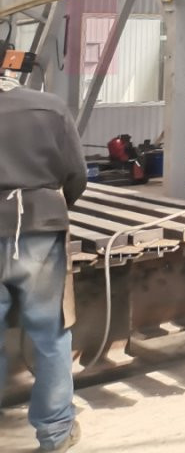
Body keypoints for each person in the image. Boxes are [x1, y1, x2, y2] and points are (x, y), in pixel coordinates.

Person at [0, 82, 87, 452]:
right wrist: (52, 208)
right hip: (39, 231)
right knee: (50, 333)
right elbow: (76, 174)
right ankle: (55, 432)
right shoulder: (50, 107)